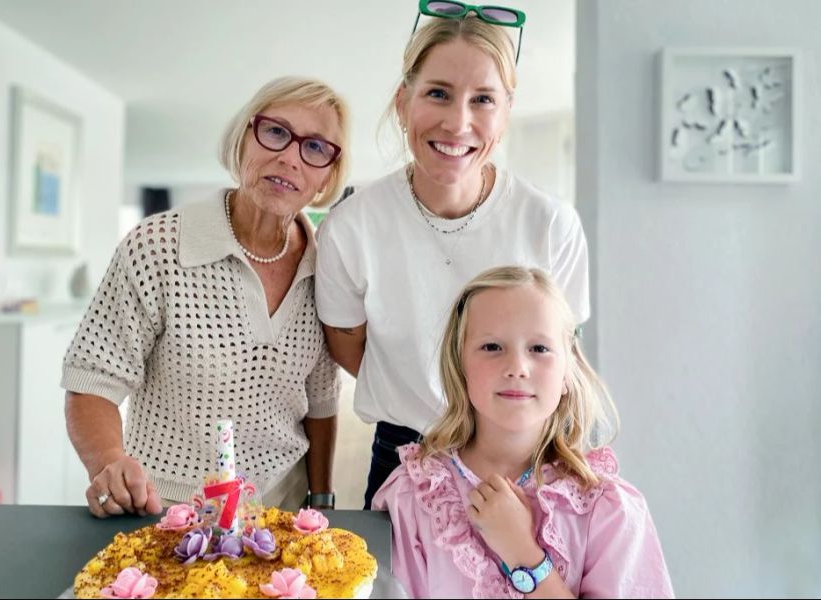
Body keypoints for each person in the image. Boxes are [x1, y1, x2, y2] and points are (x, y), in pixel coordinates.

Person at [315, 5, 589, 508]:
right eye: (437, 93)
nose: (458, 122)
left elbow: (560, 358)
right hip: (404, 453)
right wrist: (421, 391)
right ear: (403, 102)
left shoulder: (551, 225)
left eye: (482, 99)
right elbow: (348, 343)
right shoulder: (352, 227)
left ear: (505, 114)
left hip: (523, 457)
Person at [62, 76, 350, 518]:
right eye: (275, 132)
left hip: (282, 509)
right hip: (164, 510)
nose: (290, 156)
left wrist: (322, 501)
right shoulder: (157, 246)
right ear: (243, 138)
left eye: (315, 148)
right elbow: (92, 381)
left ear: (327, 176)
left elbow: (322, 399)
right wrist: (109, 464)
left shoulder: (328, 263)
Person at [373, 266, 674, 598]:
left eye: (539, 349)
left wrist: (524, 555)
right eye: (491, 347)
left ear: (566, 373)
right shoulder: (411, 499)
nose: (517, 367)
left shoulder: (609, 511)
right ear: (460, 366)